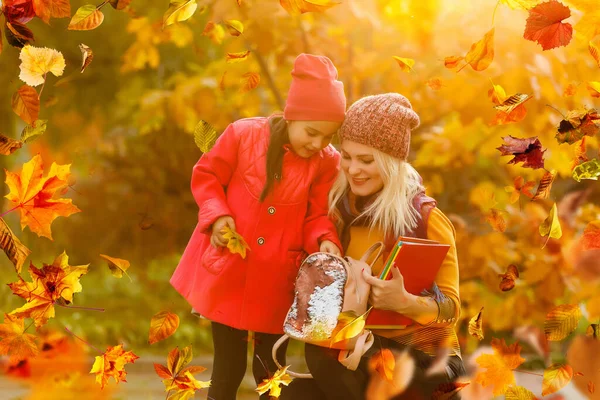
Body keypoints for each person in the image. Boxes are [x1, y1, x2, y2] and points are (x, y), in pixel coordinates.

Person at [169, 54, 346, 400]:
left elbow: (317, 215)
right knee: (229, 366)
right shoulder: (243, 135)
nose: (317, 144)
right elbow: (207, 178)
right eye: (312, 133)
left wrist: (325, 239)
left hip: (277, 277)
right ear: (293, 114)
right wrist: (218, 215)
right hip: (231, 269)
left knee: (269, 370)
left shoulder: (326, 163)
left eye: (327, 138)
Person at [284, 93, 465, 400]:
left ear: (392, 163)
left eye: (366, 160)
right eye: (348, 157)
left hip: (428, 361)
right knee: (289, 393)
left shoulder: (426, 219)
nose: (353, 169)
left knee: (329, 355)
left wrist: (404, 302)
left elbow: (451, 309)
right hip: (361, 352)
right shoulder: (340, 214)